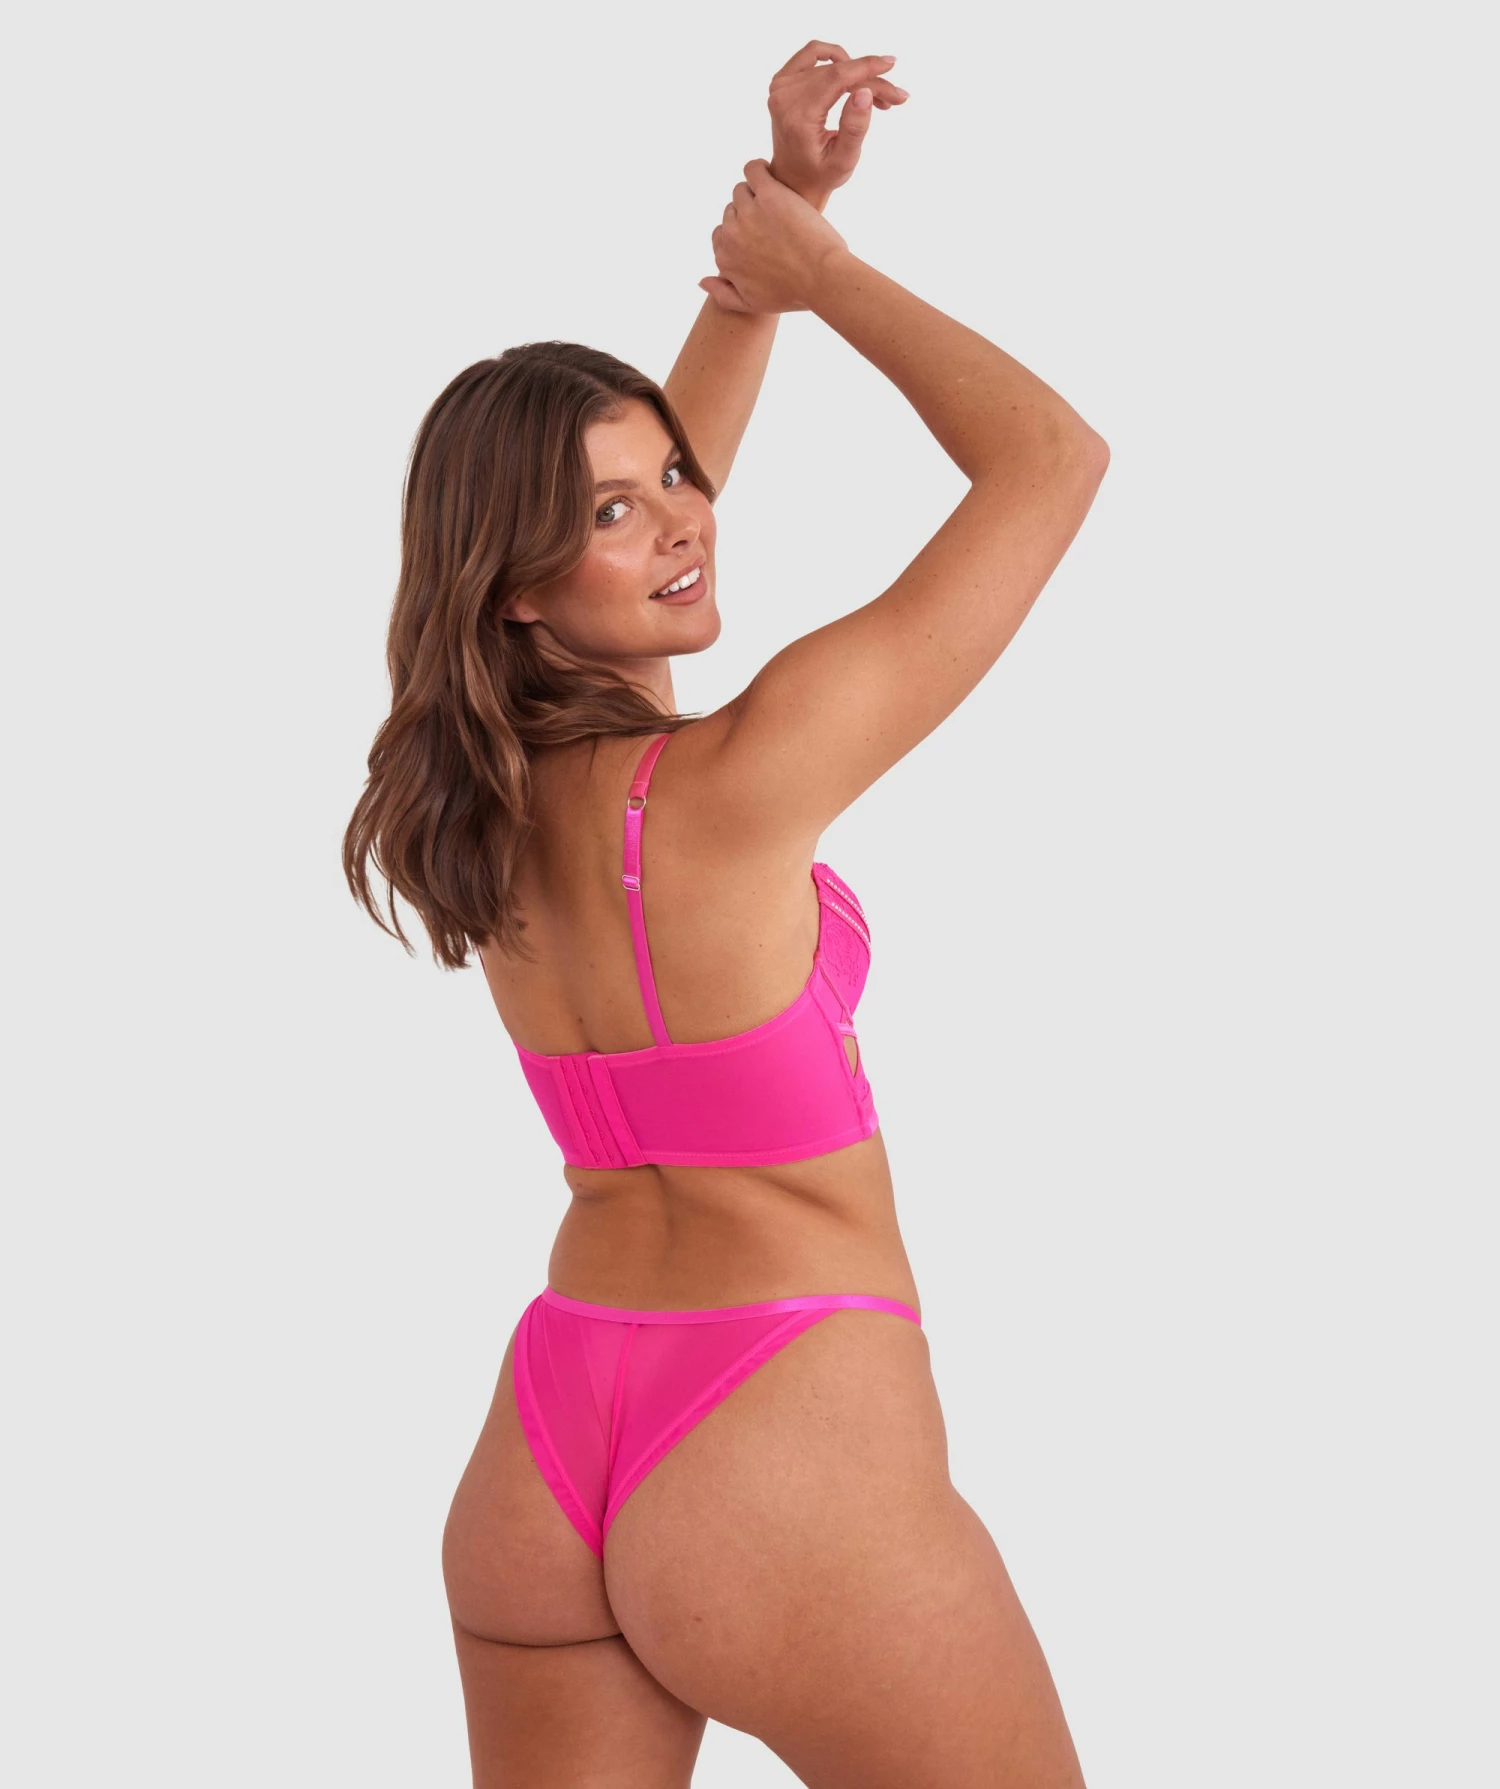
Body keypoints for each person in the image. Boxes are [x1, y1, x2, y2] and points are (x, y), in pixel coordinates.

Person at [344, 41, 1108, 1789]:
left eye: (672, 477)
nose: (685, 524)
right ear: (521, 589)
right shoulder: (743, 779)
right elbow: (1050, 461)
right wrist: (826, 276)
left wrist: (752, 273)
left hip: (549, 1452)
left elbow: (635, 536)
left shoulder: (481, 802)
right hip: (779, 1445)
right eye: (617, 513)